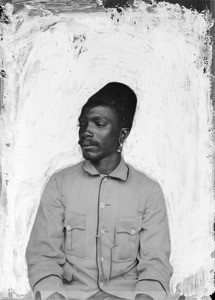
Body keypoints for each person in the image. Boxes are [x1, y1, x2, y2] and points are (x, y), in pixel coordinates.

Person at [26, 82, 173, 300]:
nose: (86, 131)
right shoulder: (59, 183)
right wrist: (53, 296)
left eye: (98, 123)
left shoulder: (149, 191)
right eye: (82, 124)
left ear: (122, 134)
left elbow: (155, 265)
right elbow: (42, 257)